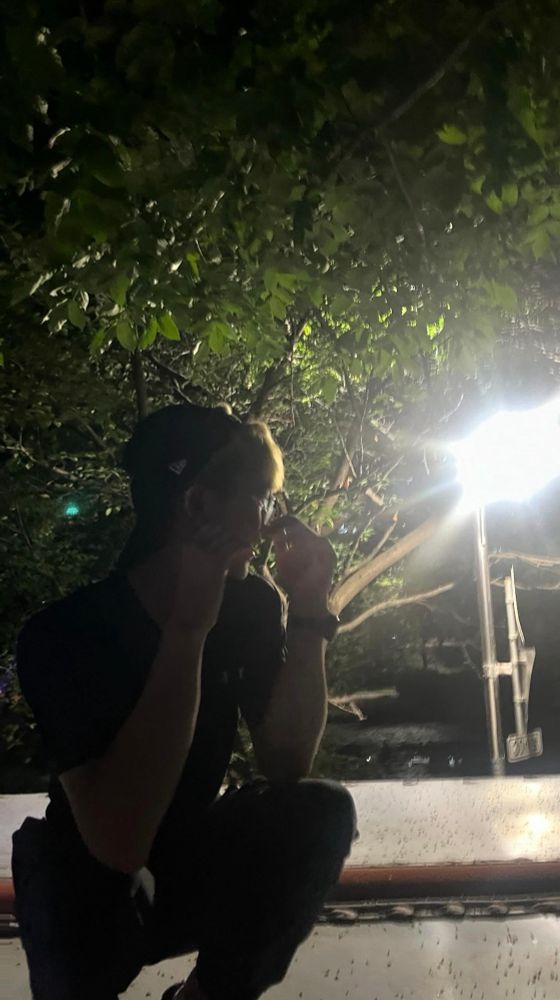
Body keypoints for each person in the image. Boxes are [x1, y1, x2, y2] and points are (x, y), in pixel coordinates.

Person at [12, 403, 357, 1000]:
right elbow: (118, 845)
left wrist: (307, 611)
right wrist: (187, 632)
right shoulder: (64, 635)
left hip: (189, 859)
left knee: (318, 812)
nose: (270, 523)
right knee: (72, 888)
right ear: (197, 506)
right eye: (262, 500)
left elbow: (286, 761)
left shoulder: (251, 608)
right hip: (90, 884)